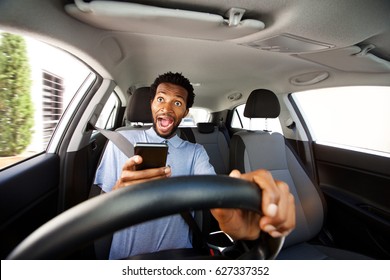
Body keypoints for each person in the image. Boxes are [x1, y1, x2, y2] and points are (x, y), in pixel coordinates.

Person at [94, 72, 295, 259]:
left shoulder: (195, 152)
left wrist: (241, 202)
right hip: (126, 259)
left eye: (177, 102)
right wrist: (118, 193)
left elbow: (215, 191)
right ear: (152, 104)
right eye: (161, 99)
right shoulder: (118, 143)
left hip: (180, 256)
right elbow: (101, 209)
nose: (167, 108)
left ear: (186, 112)